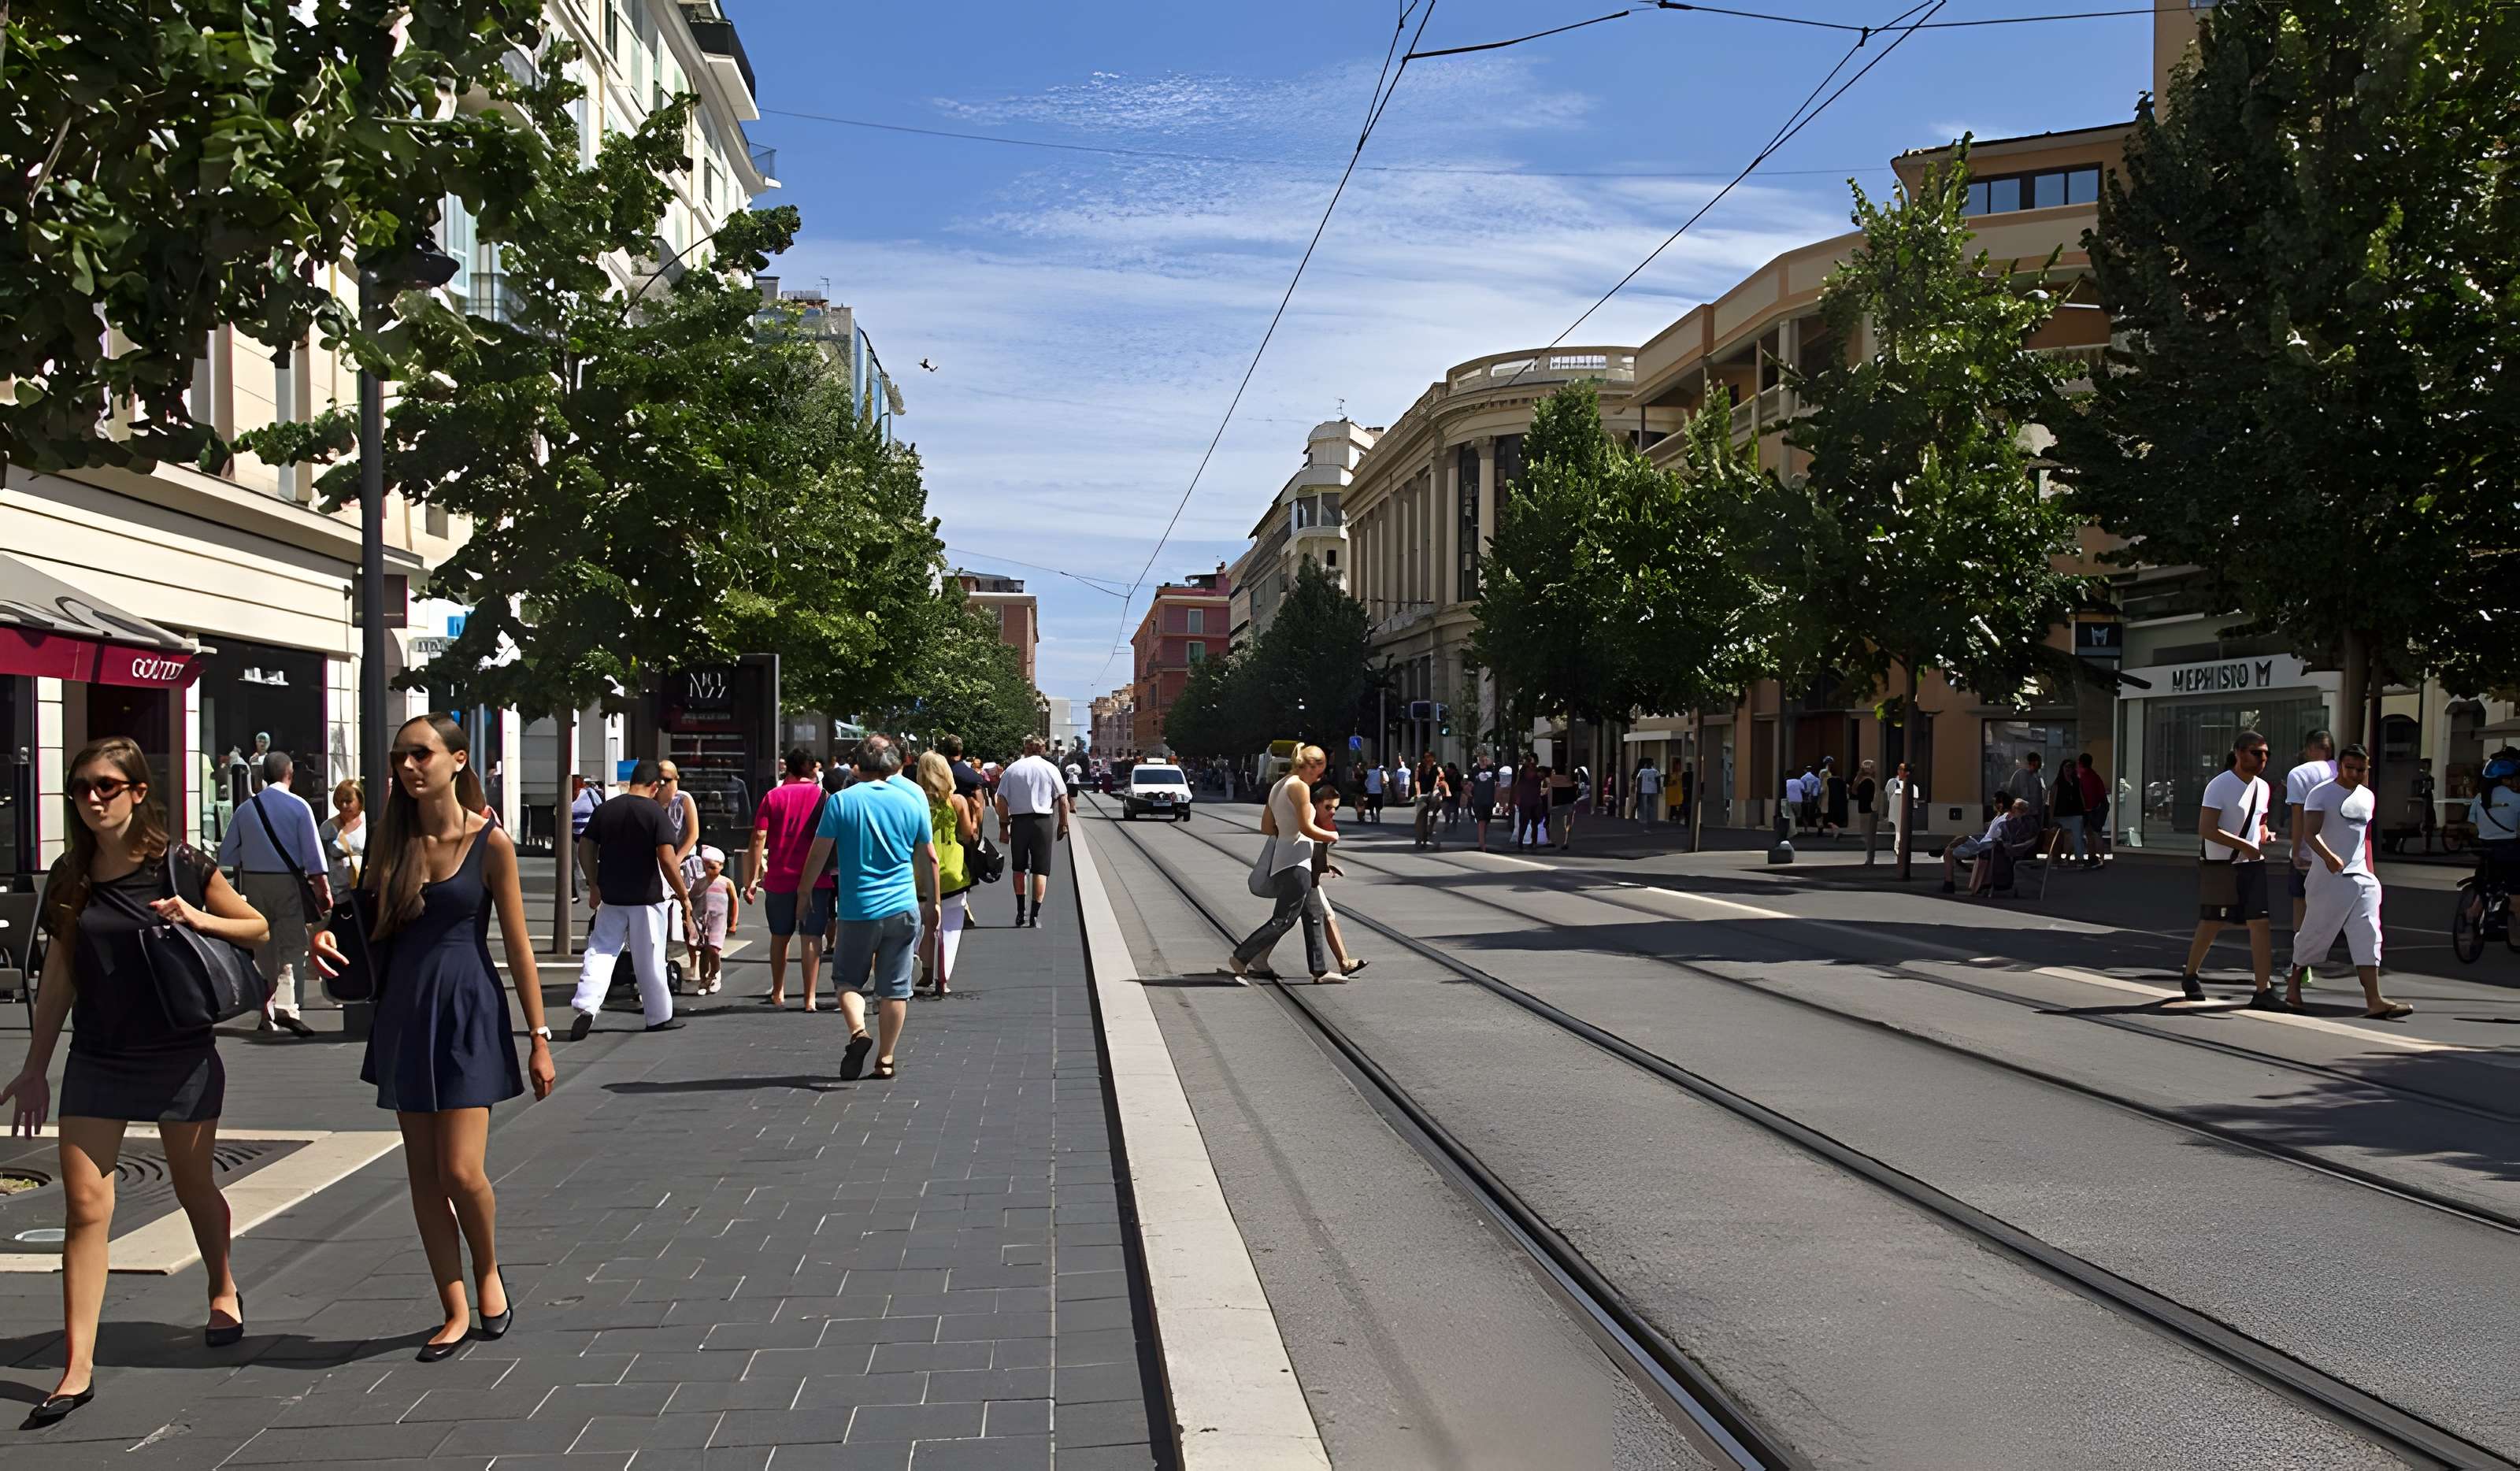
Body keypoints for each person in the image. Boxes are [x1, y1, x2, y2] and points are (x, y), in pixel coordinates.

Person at [2, 739, 265, 1425]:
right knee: (87, 1209)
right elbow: (59, 973)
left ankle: (222, 1284)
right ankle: (77, 1366)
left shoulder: (180, 865)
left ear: (139, 791)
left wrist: (195, 914)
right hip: (99, 1055)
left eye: (108, 786)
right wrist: (35, 1066)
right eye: (83, 786)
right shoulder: (70, 875)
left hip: (179, 1050)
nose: (93, 798)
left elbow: (256, 926)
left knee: (191, 1184)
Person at [311, 713, 556, 1362]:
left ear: (457, 760)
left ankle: (488, 1274)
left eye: (421, 754)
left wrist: (538, 1034)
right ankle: (452, 1306)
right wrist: (326, 937)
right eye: (400, 758)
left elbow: (518, 944)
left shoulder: (491, 844)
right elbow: (356, 920)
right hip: (405, 1012)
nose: (409, 767)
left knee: (461, 1170)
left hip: (468, 1007)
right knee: (423, 1176)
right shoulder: (391, 846)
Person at [794, 736, 936, 1082]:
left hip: (858, 909)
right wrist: (933, 902)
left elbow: (818, 852)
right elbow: (928, 856)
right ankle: (885, 1060)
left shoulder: (841, 802)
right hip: (903, 907)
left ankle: (859, 1032)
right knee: (895, 988)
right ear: (892, 763)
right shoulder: (912, 801)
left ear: (857, 765)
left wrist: (804, 890)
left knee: (847, 981)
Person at [569, 760, 694, 1037]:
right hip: (647, 899)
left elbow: (586, 847)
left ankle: (587, 1005)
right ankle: (658, 1016)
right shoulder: (656, 814)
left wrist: (594, 883)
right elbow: (666, 859)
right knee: (649, 958)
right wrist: (683, 895)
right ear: (654, 786)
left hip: (612, 897)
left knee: (600, 951)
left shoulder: (606, 809)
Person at [2286, 746, 2411, 1018]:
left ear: (2368, 769)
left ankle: (2374, 1000)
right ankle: (2293, 986)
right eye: (2349, 768)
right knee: (2316, 932)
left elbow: (2364, 837)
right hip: (2329, 878)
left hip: (2362, 877)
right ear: (2340, 766)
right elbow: (2310, 833)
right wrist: (2329, 858)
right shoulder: (2321, 794)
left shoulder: (2367, 796)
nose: (2355, 773)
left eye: (2361, 769)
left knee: (2369, 934)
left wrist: (2371, 871)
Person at [217, 750, 328, 1038]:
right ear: (289, 774)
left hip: (254, 882)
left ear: (261, 775)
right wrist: (322, 888)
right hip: (288, 883)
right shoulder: (299, 807)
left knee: (263, 943)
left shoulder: (245, 809)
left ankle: (267, 1007)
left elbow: (228, 853)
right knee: (292, 943)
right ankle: (288, 1006)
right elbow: (313, 856)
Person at [2178, 730, 2282, 1009]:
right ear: (2238, 753)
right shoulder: (2219, 785)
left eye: (2266, 754)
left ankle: (2263, 990)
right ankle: (2190, 974)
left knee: (2260, 924)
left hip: (2251, 865)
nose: (2262, 759)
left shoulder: (2263, 788)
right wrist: (2245, 846)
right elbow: (2207, 829)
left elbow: (2258, 824)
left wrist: (2264, 835)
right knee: (2213, 922)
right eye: (2255, 753)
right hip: (2221, 866)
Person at [1228, 745, 1336, 984]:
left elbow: (1267, 827)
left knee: (1313, 912)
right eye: (1320, 771)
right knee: (1284, 919)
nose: (1320, 777)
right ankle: (1240, 957)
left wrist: (1287, 830)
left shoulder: (1280, 785)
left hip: (1287, 856)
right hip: (1297, 861)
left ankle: (1320, 969)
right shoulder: (1300, 787)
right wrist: (1331, 836)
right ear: (1312, 766)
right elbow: (1306, 828)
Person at [745, 748, 829, 1010]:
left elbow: (759, 836)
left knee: (779, 936)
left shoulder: (773, 797)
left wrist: (752, 875)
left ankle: (778, 992)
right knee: (812, 936)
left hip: (780, 876)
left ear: (788, 769)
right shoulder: (824, 797)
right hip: (816, 877)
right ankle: (810, 998)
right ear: (811, 768)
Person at [916, 748, 980, 997]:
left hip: (921, 871)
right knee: (950, 928)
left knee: (925, 923)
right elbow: (967, 834)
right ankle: (943, 978)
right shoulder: (957, 801)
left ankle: (926, 970)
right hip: (952, 871)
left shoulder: (916, 800)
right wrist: (973, 820)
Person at [995, 735, 1070, 929]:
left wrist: (1004, 827)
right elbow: (1063, 798)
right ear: (1042, 749)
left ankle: (1021, 912)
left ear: (1026, 748)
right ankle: (1034, 915)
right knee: (1040, 869)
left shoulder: (1013, 769)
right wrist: (1063, 824)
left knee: (1018, 868)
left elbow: (1001, 800)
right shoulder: (1050, 768)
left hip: (1019, 822)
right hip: (1043, 822)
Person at [2281, 730, 2339, 984]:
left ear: (2310, 749)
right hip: (2340, 850)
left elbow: (2298, 815)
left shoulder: (2300, 774)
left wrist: (2296, 849)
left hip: (2309, 850)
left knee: (2301, 904)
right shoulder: (2343, 770)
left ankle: (2302, 964)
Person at [1309, 786, 1369, 978]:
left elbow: (1317, 855)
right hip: (1301, 879)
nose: (1332, 812)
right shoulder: (1308, 822)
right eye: (1327, 807)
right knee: (1282, 922)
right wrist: (1324, 866)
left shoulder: (1328, 825)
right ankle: (1248, 957)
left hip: (1310, 880)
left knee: (1325, 915)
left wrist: (1327, 865)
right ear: (1316, 805)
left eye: (1335, 807)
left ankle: (1344, 963)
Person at [655, 761, 706, 977]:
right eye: (659, 779)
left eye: (667, 779)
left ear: (676, 779)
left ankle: (696, 963)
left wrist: (676, 859)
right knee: (661, 915)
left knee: (691, 917)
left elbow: (693, 833)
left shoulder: (684, 799)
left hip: (685, 864)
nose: (662, 783)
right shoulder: (653, 799)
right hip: (660, 865)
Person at [1941, 798, 2035, 895]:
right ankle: (1949, 883)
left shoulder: (2018, 823)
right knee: (1952, 847)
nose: (2012, 809)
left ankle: (1950, 884)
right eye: (2012, 807)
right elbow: (1990, 828)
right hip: (1986, 842)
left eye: (2016, 808)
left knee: (1950, 850)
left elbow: (2011, 840)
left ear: (2022, 812)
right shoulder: (2005, 817)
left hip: (1992, 847)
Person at [694, 847, 735, 996]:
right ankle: (703, 979)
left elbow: (734, 901)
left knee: (714, 950)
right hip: (702, 921)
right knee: (704, 951)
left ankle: (715, 975)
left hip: (719, 921)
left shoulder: (726, 883)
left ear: (722, 866)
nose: (710, 871)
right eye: (706, 867)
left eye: (713, 867)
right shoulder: (700, 883)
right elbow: (691, 897)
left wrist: (733, 922)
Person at [323, 778, 368, 895]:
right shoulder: (328, 827)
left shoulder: (368, 823)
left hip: (363, 890)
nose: (344, 805)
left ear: (360, 801)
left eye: (348, 801)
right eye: (341, 801)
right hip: (337, 894)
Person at [2002, 752, 2050, 857]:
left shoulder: (2037, 777)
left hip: (2034, 814)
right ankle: (2021, 857)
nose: (2037, 767)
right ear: (2031, 763)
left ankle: (2031, 855)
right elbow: (2011, 794)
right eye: (2036, 764)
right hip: (2022, 814)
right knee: (2021, 838)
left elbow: (2040, 798)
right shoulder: (2019, 775)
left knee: (2033, 838)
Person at [2049, 757, 2087, 863]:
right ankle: (2061, 857)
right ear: (2062, 768)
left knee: (2077, 836)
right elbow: (2052, 800)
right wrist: (2051, 817)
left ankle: (2079, 858)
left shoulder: (2077, 781)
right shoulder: (2058, 783)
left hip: (2076, 813)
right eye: (2066, 767)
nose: (2068, 769)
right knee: (2063, 836)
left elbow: (2081, 796)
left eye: (2071, 767)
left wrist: (2084, 811)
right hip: (2061, 814)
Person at [2077, 754, 2109, 867]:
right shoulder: (2095, 776)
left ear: (2080, 763)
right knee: (2096, 834)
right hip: (2096, 809)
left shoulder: (2081, 777)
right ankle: (2099, 857)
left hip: (2087, 810)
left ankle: (2092, 856)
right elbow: (2102, 794)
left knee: (2090, 834)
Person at [1884, 761, 1916, 865]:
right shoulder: (1892, 782)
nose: (1902, 772)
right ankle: (1898, 847)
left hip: (1905, 812)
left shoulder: (1912, 785)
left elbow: (1914, 800)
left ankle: (1899, 848)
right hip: (1895, 810)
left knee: (1902, 831)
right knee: (1898, 829)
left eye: (1904, 770)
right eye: (1900, 769)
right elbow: (1887, 797)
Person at [1853, 761, 1881, 863]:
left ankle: (1870, 859)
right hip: (1868, 810)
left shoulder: (1867, 782)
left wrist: (1858, 778)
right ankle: (1870, 858)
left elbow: (1855, 791)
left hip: (1867, 811)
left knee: (1868, 836)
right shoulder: (1870, 781)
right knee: (1868, 836)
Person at [1470, 757, 1499, 850]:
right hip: (1479, 800)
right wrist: (1471, 796)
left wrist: (1497, 798)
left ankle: (1482, 841)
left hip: (1489, 800)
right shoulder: (1474, 770)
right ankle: (1482, 845)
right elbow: (1468, 784)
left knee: (1486, 822)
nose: (1484, 761)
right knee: (1481, 822)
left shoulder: (1493, 771)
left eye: (1486, 759)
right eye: (1482, 759)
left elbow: (1498, 784)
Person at [1550, 762, 1579, 850]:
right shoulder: (1570, 780)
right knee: (1568, 824)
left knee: (1558, 824)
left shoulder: (1553, 780)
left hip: (1558, 804)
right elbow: (1575, 793)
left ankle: (1557, 841)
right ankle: (1565, 842)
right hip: (1569, 803)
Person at [1636, 758, 1663, 831]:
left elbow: (1638, 780)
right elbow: (1658, 781)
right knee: (1651, 806)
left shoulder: (1642, 771)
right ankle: (1651, 820)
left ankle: (1646, 821)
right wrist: (1659, 790)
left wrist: (1638, 789)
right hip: (1652, 791)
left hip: (1644, 791)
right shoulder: (1655, 771)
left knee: (1645, 806)